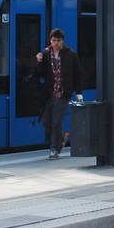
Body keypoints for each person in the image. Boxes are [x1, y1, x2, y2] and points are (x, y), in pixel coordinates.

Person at [34, 28, 84, 159]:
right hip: (50, 93)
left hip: (63, 93)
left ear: (62, 41)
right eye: (54, 40)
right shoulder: (45, 55)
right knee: (45, 121)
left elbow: (78, 74)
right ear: (50, 40)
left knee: (56, 122)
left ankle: (54, 149)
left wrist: (79, 92)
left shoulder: (71, 54)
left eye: (58, 40)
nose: (56, 43)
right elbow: (42, 74)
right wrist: (39, 62)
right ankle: (61, 139)